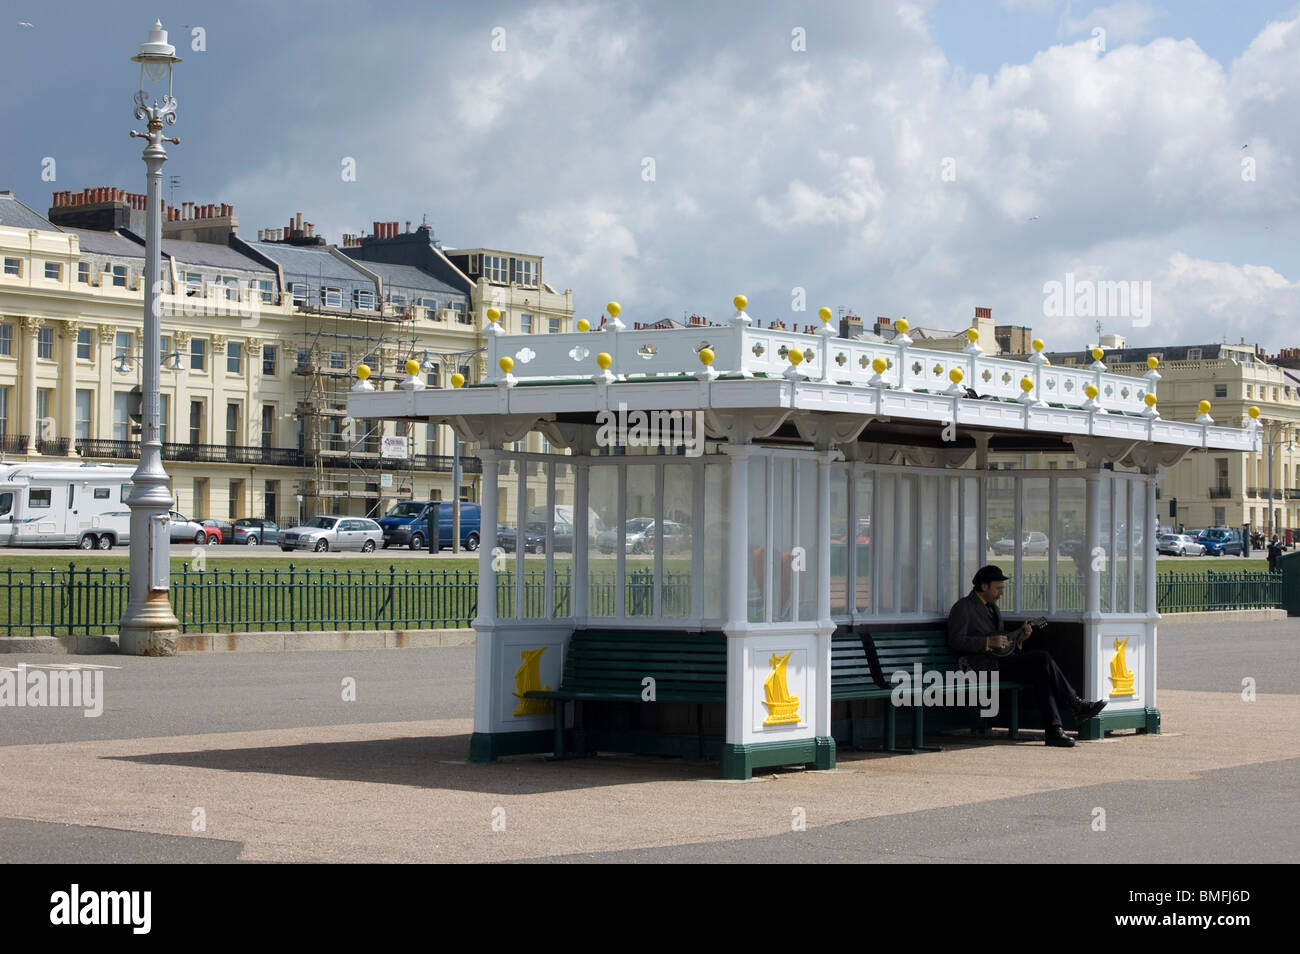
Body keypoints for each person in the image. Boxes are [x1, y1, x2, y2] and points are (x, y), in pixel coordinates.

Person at [947, 565, 1106, 747]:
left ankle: (1055, 730)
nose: (1001, 593)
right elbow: (956, 641)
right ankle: (1075, 704)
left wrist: (1019, 639)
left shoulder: (993, 608)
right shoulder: (963, 608)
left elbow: (1001, 644)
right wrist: (986, 643)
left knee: (1041, 674)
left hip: (998, 663)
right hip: (979, 667)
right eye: (998, 588)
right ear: (984, 586)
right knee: (1042, 659)